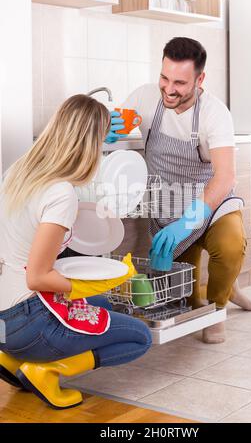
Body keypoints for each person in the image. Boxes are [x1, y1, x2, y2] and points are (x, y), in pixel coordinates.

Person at [0, 94, 152, 410]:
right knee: (139, 337)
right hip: (29, 319)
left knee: (109, 306)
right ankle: (46, 370)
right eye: (99, 143)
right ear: (89, 145)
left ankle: (11, 358)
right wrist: (94, 283)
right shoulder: (60, 193)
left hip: (5, 316)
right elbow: (39, 277)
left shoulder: (17, 173)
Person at [107, 37, 251, 344]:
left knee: (229, 248)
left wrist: (190, 221)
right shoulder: (145, 97)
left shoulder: (214, 113)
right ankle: (223, 290)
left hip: (211, 203)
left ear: (199, 79)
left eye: (179, 82)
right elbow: (117, 126)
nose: (168, 89)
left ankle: (218, 309)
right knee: (182, 293)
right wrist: (108, 129)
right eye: (164, 78)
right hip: (167, 206)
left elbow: (225, 176)